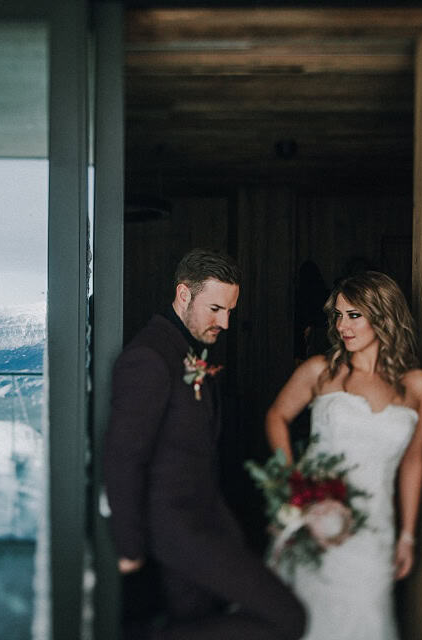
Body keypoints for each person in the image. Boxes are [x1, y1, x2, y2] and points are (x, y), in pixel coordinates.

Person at [103, 248, 306, 640]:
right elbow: (123, 457)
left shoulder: (186, 351)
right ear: (184, 295)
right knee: (287, 617)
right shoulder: (148, 357)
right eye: (216, 309)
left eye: (229, 311)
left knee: (194, 622)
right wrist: (129, 548)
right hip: (175, 530)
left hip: (206, 524)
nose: (225, 323)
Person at [264, 270, 422, 639]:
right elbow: (277, 416)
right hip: (317, 518)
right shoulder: (321, 372)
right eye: (338, 315)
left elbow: (413, 461)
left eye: (354, 315)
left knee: (367, 619)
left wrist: (407, 535)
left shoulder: (417, 386)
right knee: (305, 616)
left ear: (384, 316)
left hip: (374, 530)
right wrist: (294, 485)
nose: (343, 326)